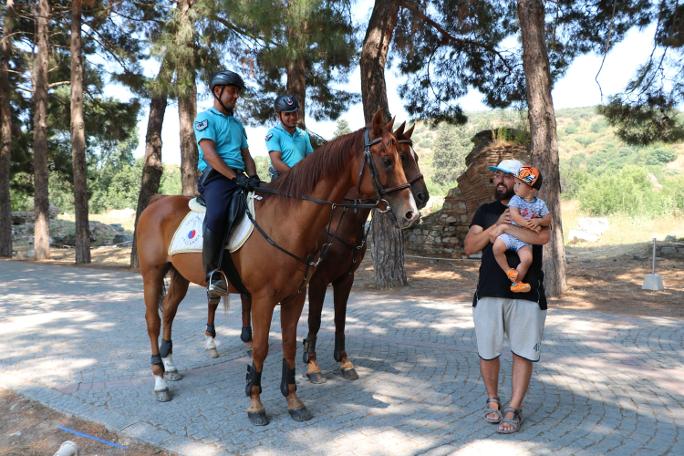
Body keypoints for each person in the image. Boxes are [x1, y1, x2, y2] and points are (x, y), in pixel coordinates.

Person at [463, 158, 550, 434]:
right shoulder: (486, 211)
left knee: (523, 353)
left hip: (527, 294)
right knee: (488, 351)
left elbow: (542, 238)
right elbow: (470, 246)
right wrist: (495, 227)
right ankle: (492, 399)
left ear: (520, 181)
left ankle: (513, 407)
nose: (499, 180)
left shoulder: (535, 207)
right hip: (489, 292)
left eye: (506, 176)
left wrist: (510, 228)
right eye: (496, 176)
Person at [194, 69, 260, 298]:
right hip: (216, 178)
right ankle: (212, 274)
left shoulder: (238, 126)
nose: (236, 97)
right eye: (232, 92)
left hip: (239, 176)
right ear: (217, 91)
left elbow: (247, 155)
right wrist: (235, 177)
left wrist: (253, 177)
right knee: (218, 213)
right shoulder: (204, 119)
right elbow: (210, 155)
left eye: (237, 93)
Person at [492, 166, 551, 293]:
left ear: (531, 189)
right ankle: (508, 270)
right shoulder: (516, 199)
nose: (515, 186)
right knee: (497, 248)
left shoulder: (540, 204)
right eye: (516, 183)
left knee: (527, 259)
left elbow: (548, 218)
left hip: (524, 240)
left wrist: (539, 221)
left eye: (519, 184)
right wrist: (529, 224)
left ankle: (516, 282)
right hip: (510, 235)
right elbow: (515, 216)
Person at [265, 95, 313, 180]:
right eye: (287, 114)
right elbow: (276, 161)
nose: (292, 117)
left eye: (294, 113)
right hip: (283, 181)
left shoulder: (304, 135)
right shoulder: (274, 134)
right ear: (279, 116)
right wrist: (295, 177)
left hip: (303, 180)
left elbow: (311, 159)